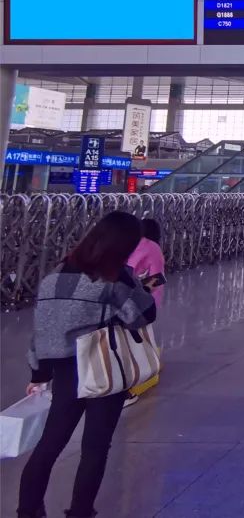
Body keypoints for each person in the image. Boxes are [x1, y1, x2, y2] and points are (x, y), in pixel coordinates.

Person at [18, 211, 158, 518]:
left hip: (65, 372)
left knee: (49, 445)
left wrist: (39, 374)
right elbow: (144, 315)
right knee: (95, 448)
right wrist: (136, 284)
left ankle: (27, 511)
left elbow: (42, 330)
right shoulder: (114, 278)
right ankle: (80, 512)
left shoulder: (55, 277)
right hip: (103, 368)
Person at [123, 218, 167, 406]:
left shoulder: (131, 244)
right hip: (140, 299)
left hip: (131, 299)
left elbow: (156, 277)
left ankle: (133, 378)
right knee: (135, 339)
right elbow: (158, 277)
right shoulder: (151, 247)